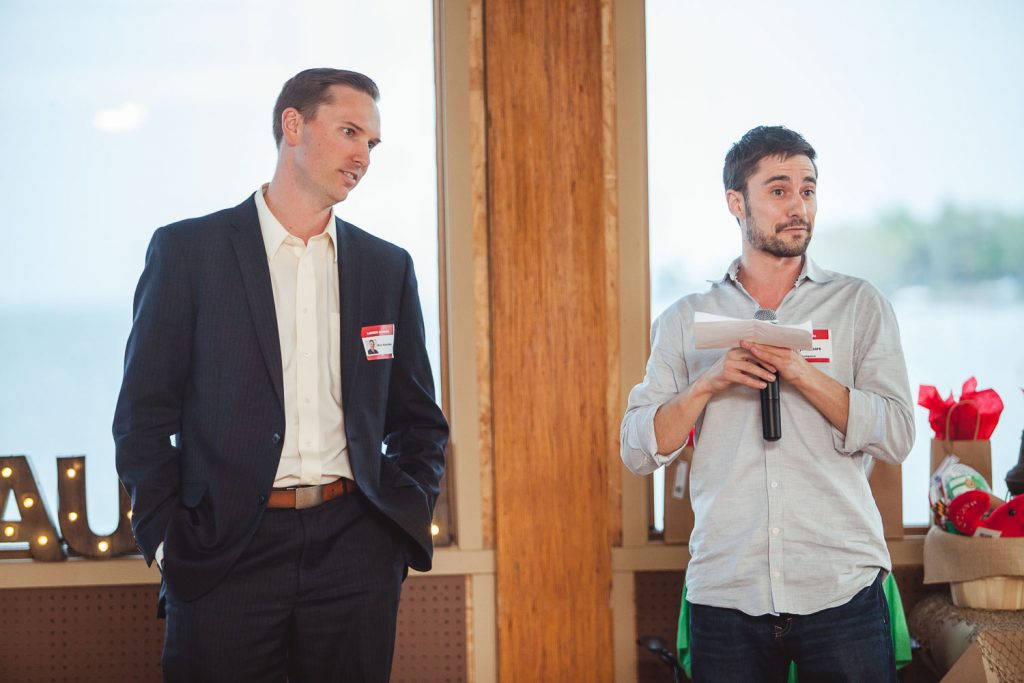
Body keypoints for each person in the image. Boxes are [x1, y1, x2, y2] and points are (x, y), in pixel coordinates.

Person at [114, 68, 448, 682]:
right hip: (225, 551)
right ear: (293, 125)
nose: (362, 155)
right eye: (349, 132)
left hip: (356, 549)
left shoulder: (386, 268)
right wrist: (167, 540)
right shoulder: (190, 253)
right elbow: (142, 418)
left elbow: (419, 424)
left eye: (371, 144)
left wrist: (394, 533)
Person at [620, 126, 914, 682]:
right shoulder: (686, 319)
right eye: (779, 190)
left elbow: (897, 434)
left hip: (842, 588)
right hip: (726, 592)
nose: (798, 205)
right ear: (737, 202)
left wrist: (801, 373)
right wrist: (709, 383)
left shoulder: (860, 305)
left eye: (808, 189)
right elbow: (637, 449)